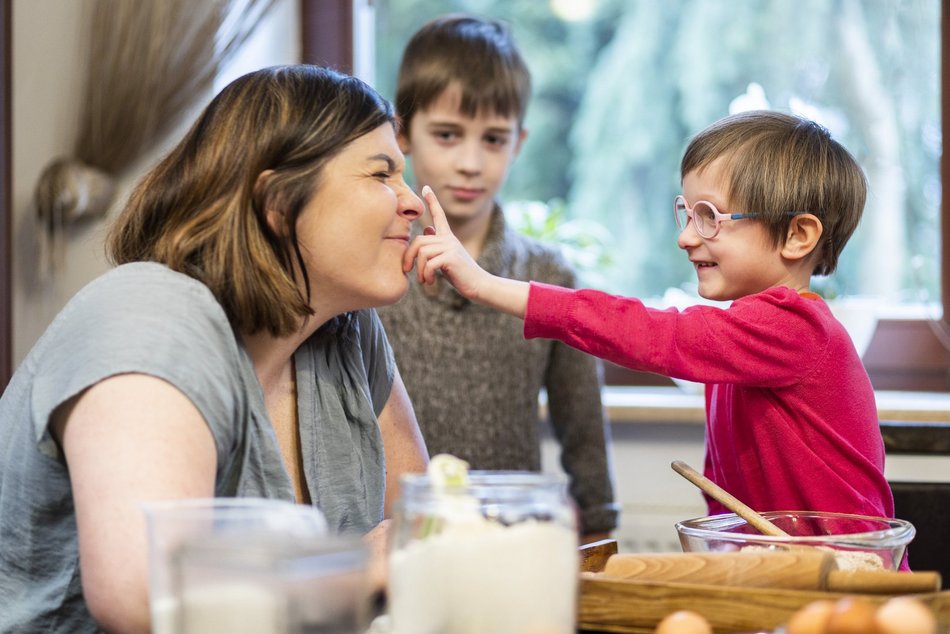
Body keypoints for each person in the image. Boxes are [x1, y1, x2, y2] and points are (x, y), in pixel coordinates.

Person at [0, 65, 429, 633]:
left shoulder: (348, 333)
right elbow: (149, 597)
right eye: (382, 175)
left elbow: (420, 533)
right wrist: (359, 568)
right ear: (277, 202)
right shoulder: (146, 317)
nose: (414, 203)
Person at [406, 109, 896, 524]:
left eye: (711, 217)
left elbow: (646, 332)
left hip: (844, 583)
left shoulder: (794, 328)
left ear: (798, 236)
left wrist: (485, 284)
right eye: (686, 212)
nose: (686, 237)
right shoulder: (750, 333)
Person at [377, 14, 618, 542]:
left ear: (519, 142)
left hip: (515, 543)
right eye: (446, 134)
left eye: (492, 139)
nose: (469, 162)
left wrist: (600, 545)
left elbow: (585, 438)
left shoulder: (550, 275)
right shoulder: (372, 275)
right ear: (402, 134)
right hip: (401, 549)